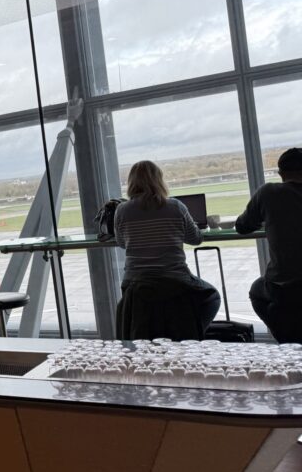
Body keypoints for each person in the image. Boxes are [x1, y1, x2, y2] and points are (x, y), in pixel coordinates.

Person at [114, 161, 221, 334]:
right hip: (174, 280)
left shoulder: (122, 210)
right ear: (159, 180)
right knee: (212, 297)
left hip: (134, 283)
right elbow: (196, 239)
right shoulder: (175, 207)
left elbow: (121, 243)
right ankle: (190, 332)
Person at [236, 147, 302, 343]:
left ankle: (287, 339)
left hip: (285, 285)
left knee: (257, 290)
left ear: (281, 173)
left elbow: (242, 226)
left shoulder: (269, 193)